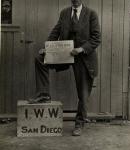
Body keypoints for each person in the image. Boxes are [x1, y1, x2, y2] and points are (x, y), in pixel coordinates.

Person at [29, 0, 101, 136]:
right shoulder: (64, 13)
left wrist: (81, 49)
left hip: (83, 57)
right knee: (40, 59)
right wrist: (47, 48)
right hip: (65, 54)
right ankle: (43, 95)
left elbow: (96, 38)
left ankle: (80, 123)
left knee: (83, 93)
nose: (75, 1)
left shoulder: (91, 14)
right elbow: (55, 32)